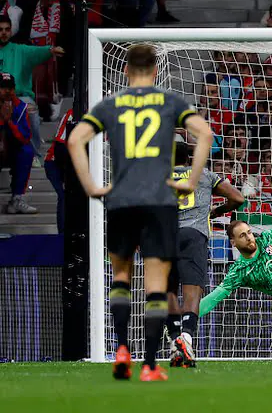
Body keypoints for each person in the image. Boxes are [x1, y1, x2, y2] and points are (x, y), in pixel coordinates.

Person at [67, 45, 213, 382]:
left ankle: (121, 350)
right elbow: (204, 133)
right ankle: (148, 365)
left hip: (121, 200)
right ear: (154, 70)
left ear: (127, 70)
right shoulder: (169, 102)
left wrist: (91, 185)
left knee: (120, 279)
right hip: (159, 202)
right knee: (156, 284)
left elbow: (76, 140)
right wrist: (191, 179)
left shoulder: (110, 105)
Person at [166, 141, 244, 369]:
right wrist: (216, 211)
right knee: (192, 291)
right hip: (193, 235)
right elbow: (238, 199)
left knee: (168, 291)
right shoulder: (205, 174)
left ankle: (174, 344)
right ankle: (187, 339)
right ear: (188, 159)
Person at [0, 15, 64, 163]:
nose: (3, 33)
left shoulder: (21, 50)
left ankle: (34, 155)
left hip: (20, 97)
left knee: (31, 111)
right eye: (0, 30)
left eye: (7, 29)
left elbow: (39, 51)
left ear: (11, 31)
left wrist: (51, 50)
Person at [0, 73, 34, 214]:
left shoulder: (20, 107)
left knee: (27, 151)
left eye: (10, 88)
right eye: (3, 88)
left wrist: (10, 122)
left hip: (11, 151)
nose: (8, 91)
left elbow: (26, 136)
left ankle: (17, 199)